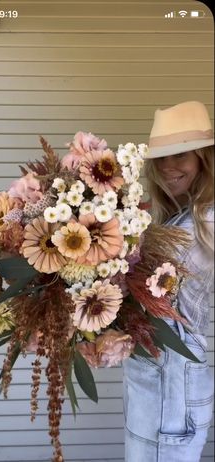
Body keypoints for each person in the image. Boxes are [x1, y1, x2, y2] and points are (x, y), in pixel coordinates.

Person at [123, 101, 214, 462]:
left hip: (171, 386)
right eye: (161, 158)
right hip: (157, 381)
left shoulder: (203, 225)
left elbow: (134, 288)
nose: (167, 167)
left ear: (204, 160)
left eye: (181, 156)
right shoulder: (179, 218)